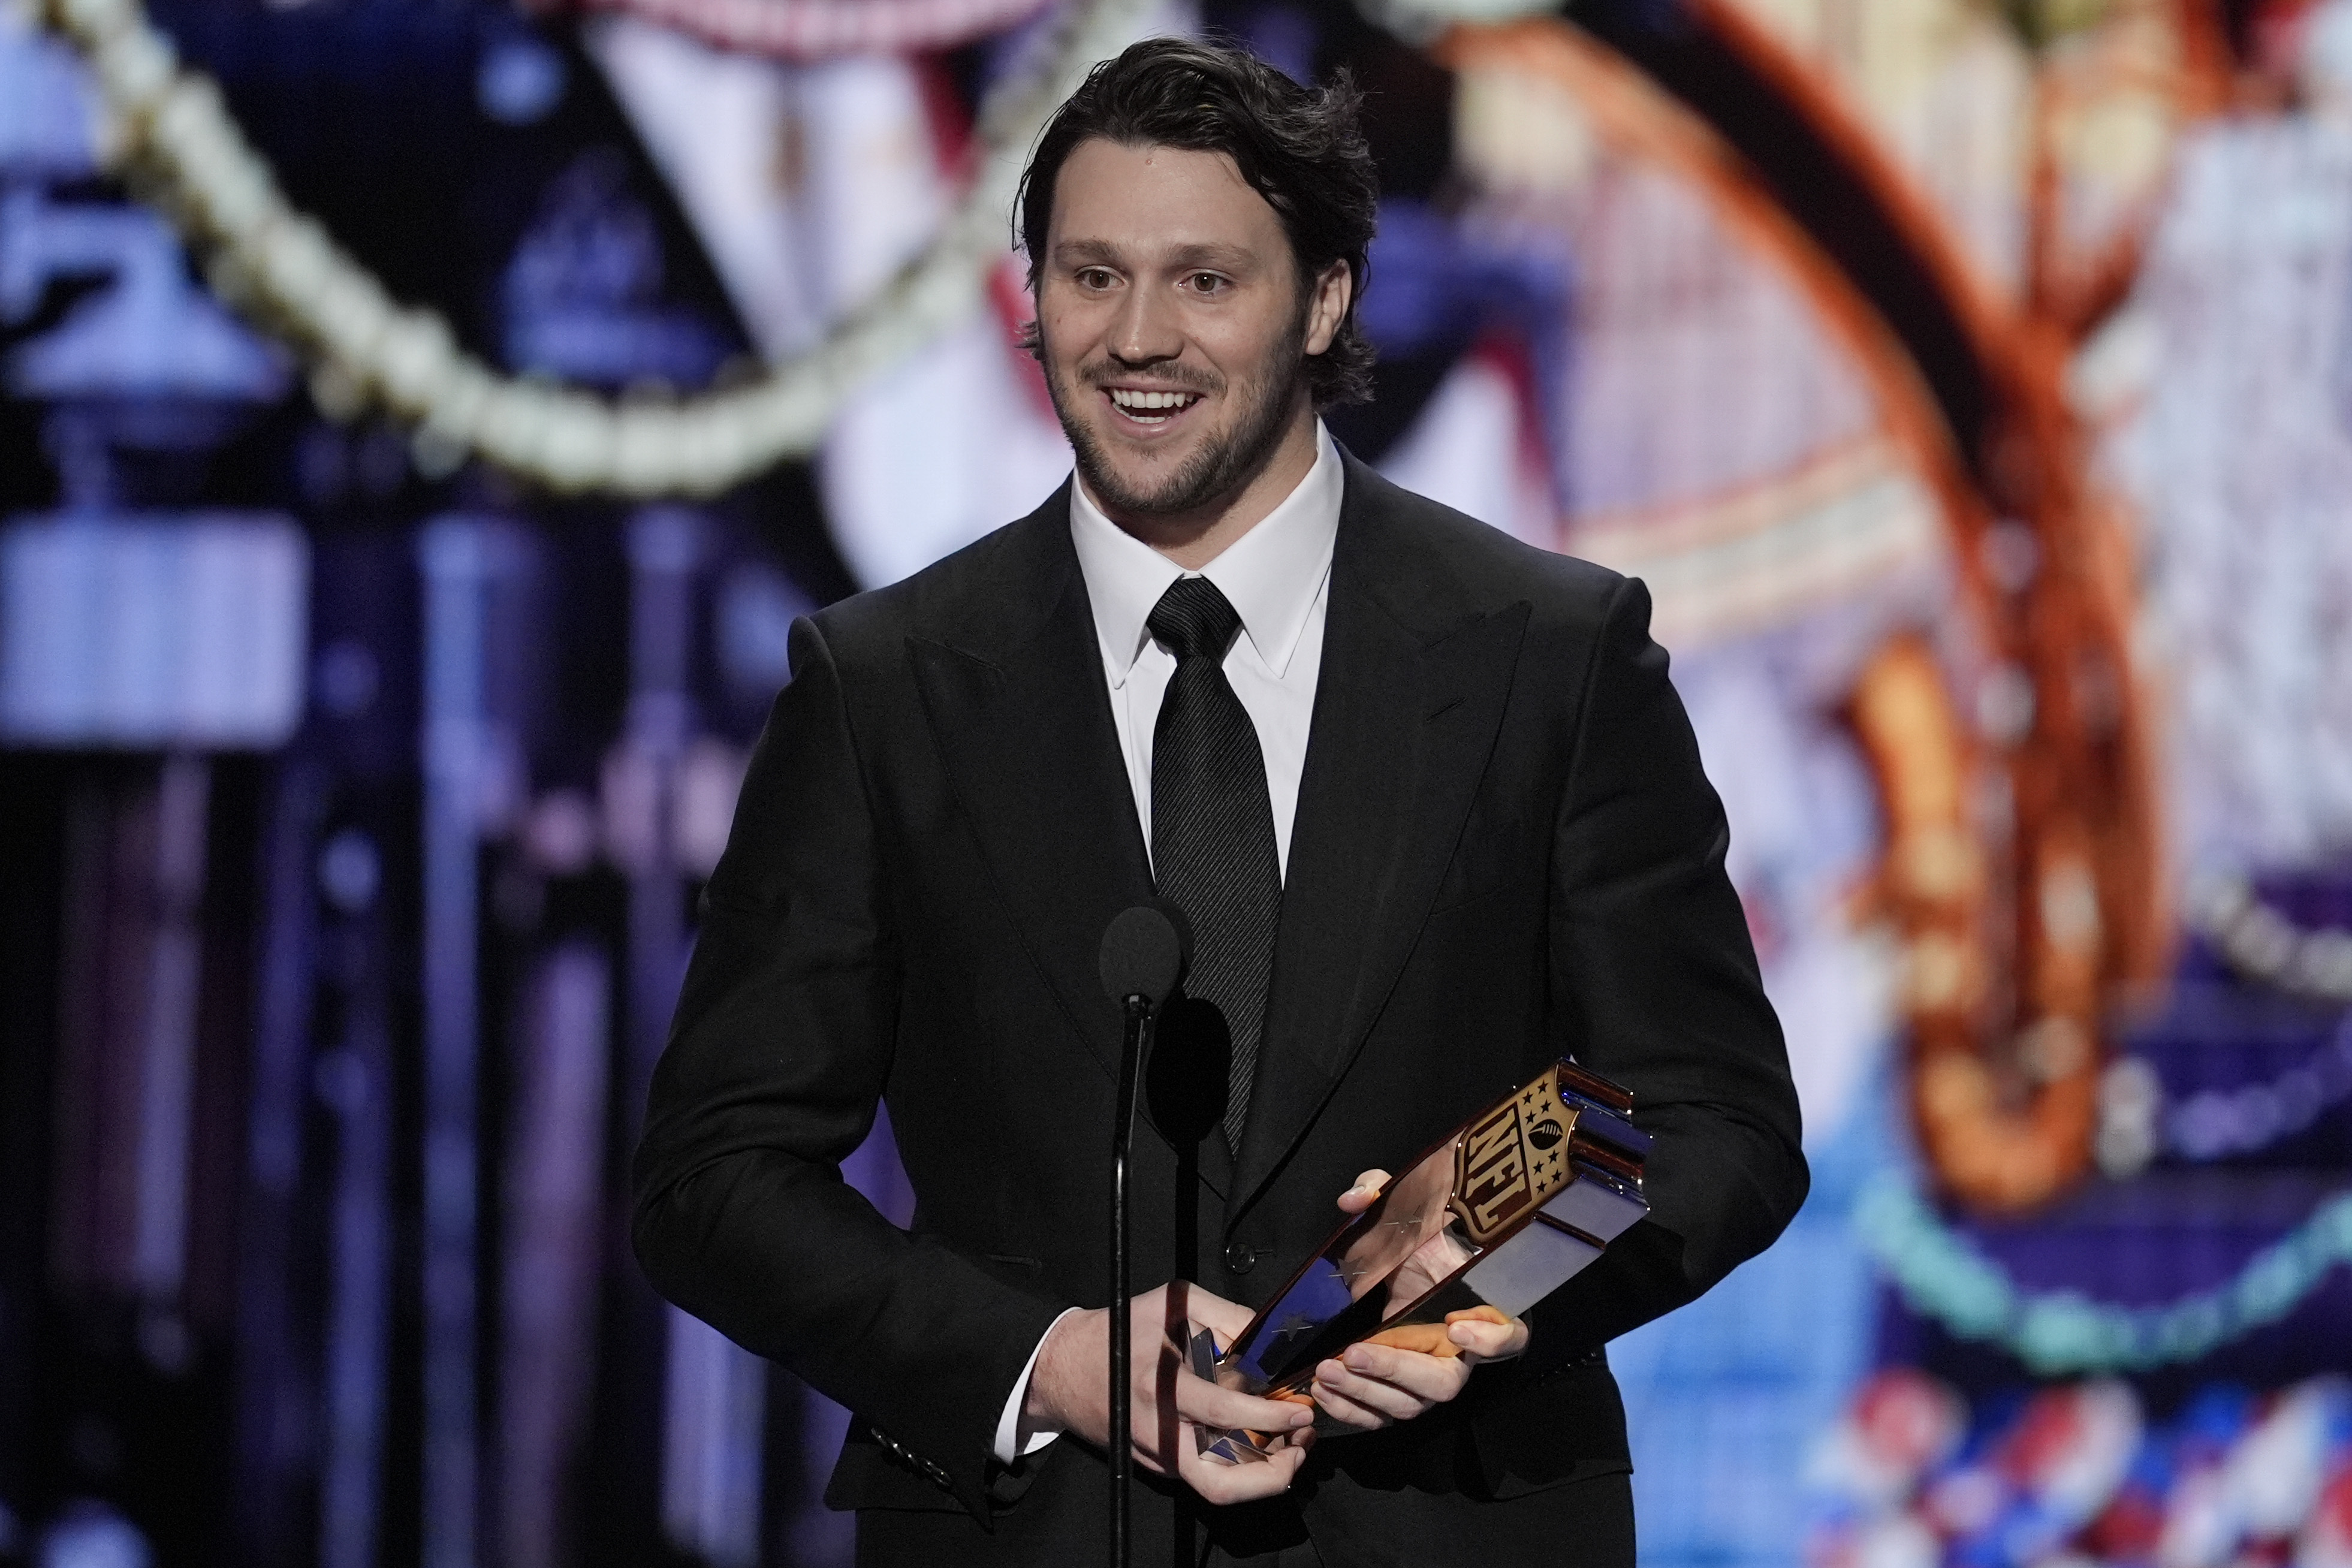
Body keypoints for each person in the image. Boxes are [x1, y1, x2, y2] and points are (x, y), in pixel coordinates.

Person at [634, 35, 1807, 1567]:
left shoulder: (1554, 654)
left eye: (1206, 281)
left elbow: (1720, 1119)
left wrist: (1498, 1305)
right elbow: (712, 1180)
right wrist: (1047, 1359)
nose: (1137, 338)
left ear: (1323, 300)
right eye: (1090, 276)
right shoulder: (883, 684)